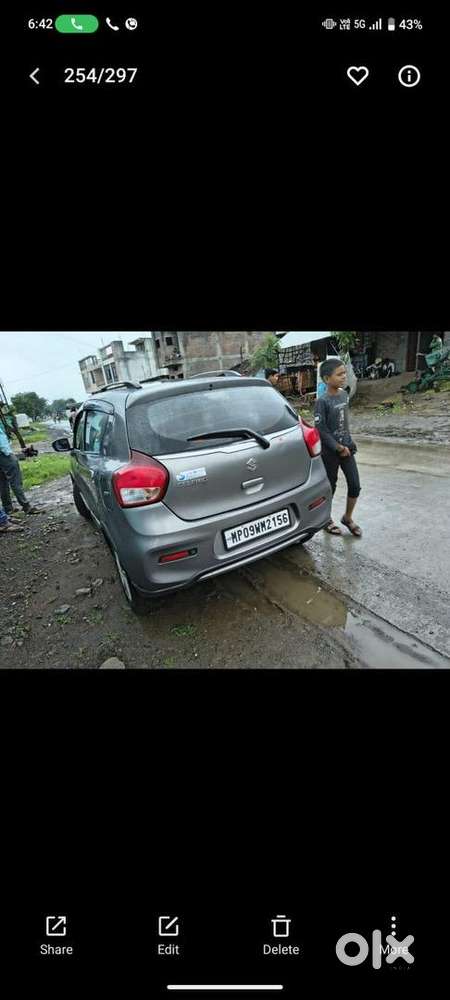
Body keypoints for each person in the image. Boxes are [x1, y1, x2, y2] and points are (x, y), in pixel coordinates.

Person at [314, 358, 362, 537]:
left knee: (355, 485)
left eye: (344, 373)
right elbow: (321, 429)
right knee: (330, 487)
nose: (344, 377)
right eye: (339, 374)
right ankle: (326, 519)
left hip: (347, 448)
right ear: (327, 378)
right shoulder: (322, 401)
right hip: (331, 452)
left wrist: (348, 442)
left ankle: (347, 518)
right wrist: (337, 447)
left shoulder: (343, 395)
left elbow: (344, 423)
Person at [0, 418, 41, 516]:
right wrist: (9, 453)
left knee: (3, 481)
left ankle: (8, 508)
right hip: (4, 453)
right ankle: (26, 506)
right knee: (15, 481)